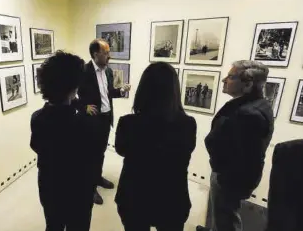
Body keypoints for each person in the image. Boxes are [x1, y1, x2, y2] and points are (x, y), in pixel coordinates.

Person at [114, 62, 197, 231]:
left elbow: (121, 150)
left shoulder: (128, 123)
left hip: (134, 195)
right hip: (172, 195)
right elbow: (185, 152)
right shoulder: (187, 124)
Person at [197, 60, 274, 231]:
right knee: (224, 217)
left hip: (230, 178)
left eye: (231, 77)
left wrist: (220, 170)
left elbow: (234, 150)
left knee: (226, 221)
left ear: (247, 84)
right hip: (234, 176)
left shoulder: (248, 113)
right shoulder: (259, 104)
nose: (224, 80)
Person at [30, 50, 97, 231]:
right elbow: (91, 159)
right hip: (78, 190)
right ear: (74, 87)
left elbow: (36, 146)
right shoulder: (83, 123)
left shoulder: (37, 118)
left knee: (53, 225)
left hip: (49, 186)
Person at [74, 38, 131, 205]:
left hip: (106, 119)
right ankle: (89, 188)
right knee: (90, 155)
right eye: (106, 53)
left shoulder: (108, 71)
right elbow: (71, 95)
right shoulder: (83, 71)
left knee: (100, 152)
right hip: (91, 121)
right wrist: (83, 107)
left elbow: (108, 93)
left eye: (108, 52)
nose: (109, 56)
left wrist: (120, 91)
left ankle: (97, 178)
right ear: (95, 54)